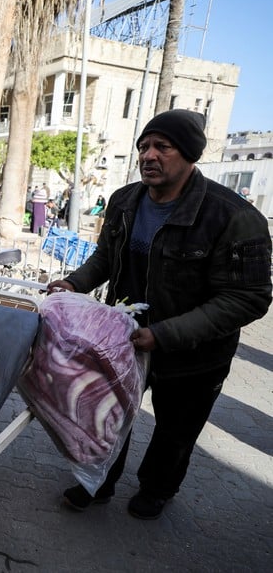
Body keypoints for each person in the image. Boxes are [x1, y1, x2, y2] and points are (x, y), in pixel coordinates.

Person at [47, 109, 272, 520]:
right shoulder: (124, 200)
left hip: (194, 357)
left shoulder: (234, 217)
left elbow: (247, 298)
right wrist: (74, 283)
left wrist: (165, 334)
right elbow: (105, 257)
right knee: (110, 416)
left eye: (161, 147)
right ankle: (97, 481)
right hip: (124, 342)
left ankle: (157, 489)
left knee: (176, 431)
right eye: (143, 146)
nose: (148, 155)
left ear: (188, 154)